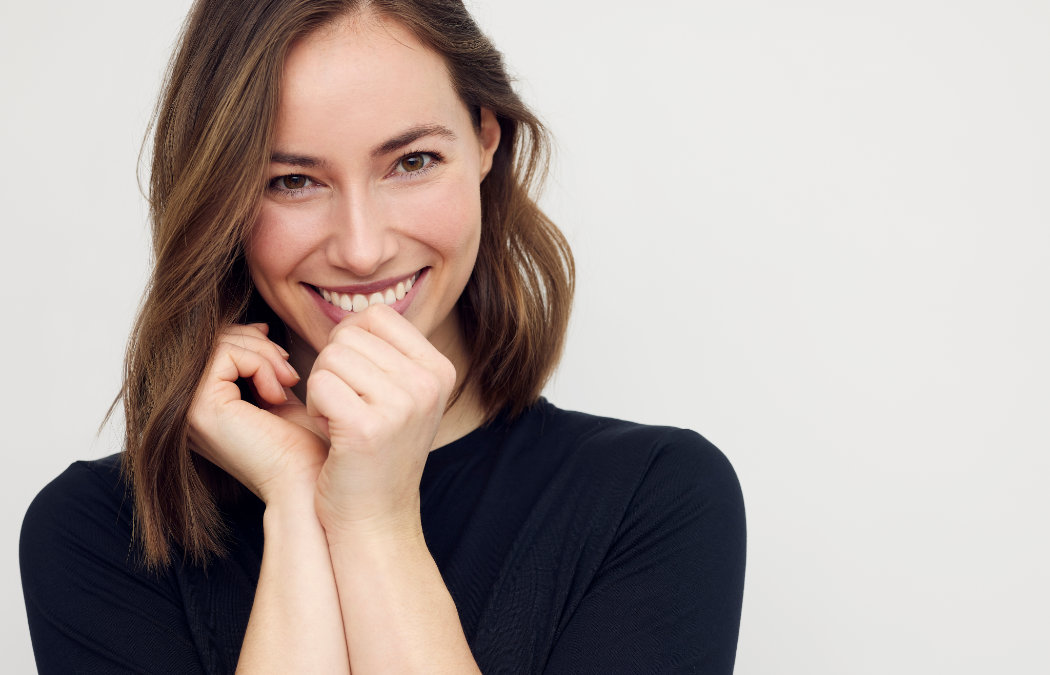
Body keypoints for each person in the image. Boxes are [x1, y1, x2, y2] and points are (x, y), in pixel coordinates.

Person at [20, 0, 746, 672]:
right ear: (219, 195)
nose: (362, 250)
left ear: (486, 139)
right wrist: (299, 494)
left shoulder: (652, 500)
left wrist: (376, 520)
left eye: (412, 162)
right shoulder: (97, 535)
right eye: (292, 181)